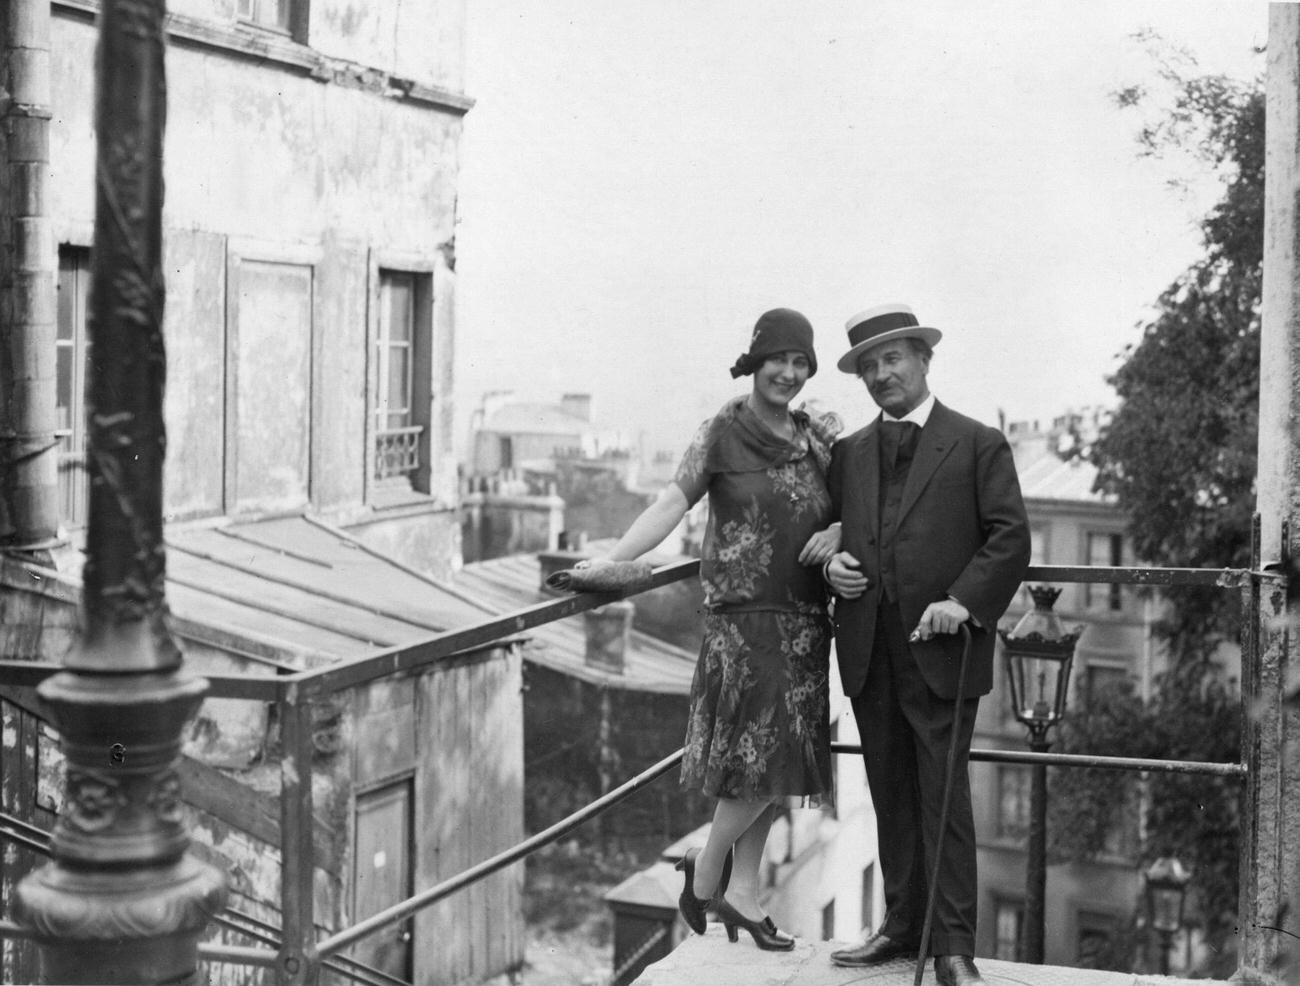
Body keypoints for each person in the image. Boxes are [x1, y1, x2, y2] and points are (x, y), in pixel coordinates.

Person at [587, 307, 842, 950]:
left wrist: (840, 529)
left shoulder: (818, 440)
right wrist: (615, 564)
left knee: (769, 766)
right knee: (761, 759)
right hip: (745, 622)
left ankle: (743, 893)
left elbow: (857, 510)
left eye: (800, 361)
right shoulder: (721, 433)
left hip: (808, 623)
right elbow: (672, 503)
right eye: (777, 358)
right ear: (754, 361)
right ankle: (706, 877)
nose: (788, 372)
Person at [821, 304, 1030, 986]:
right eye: (870, 366)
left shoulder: (976, 443)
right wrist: (833, 566)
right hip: (868, 649)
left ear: (923, 361)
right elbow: (833, 531)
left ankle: (953, 950)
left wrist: (961, 601)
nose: (884, 374)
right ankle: (901, 928)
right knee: (890, 791)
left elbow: (1009, 538)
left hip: (942, 651)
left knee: (944, 797)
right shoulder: (848, 452)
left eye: (894, 359)